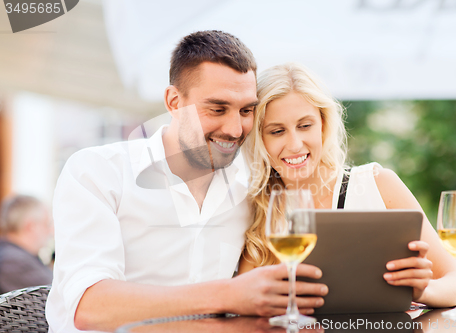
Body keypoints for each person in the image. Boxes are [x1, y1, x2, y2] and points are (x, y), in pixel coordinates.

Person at [46, 31, 327, 333]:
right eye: (217, 109)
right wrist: (228, 296)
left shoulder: (251, 189)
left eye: (246, 110)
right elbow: (89, 308)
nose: (234, 129)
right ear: (174, 101)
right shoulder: (98, 172)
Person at [239, 62, 456, 307]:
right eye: (277, 131)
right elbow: (244, 304)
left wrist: (423, 291)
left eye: (305, 125)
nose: (295, 144)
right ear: (260, 139)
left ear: (323, 125)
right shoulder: (255, 208)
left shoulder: (378, 185)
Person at [0, 195, 53, 294]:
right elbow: (58, 295)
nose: (50, 231)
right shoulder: (13, 262)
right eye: (47, 224)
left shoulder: (10, 254)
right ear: (31, 226)